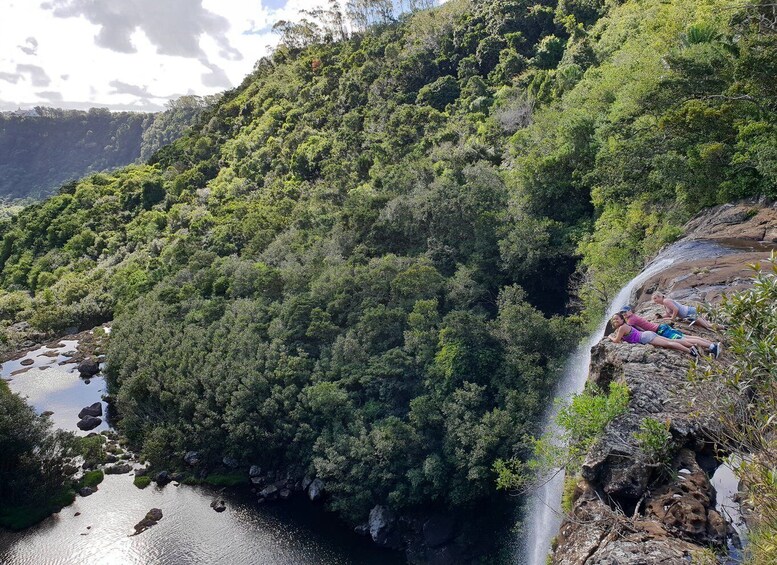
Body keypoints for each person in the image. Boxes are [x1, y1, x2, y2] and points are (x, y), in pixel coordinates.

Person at [620, 306, 722, 358]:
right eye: (622, 313)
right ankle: (712, 345)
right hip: (662, 328)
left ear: (630, 311)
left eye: (625, 312)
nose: (624, 314)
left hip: (661, 331)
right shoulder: (633, 317)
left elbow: (632, 331)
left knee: (683, 340)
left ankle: (712, 347)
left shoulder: (631, 320)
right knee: (686, 337)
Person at [608, 313, 698, 356]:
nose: (615, 321)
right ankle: (692, 346)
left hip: (645, 338)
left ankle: (690, 351)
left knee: (669, 344)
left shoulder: (622, 328)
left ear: (622, 319)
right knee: (671, 341)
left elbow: (616, 340)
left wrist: (610, 337)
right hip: (647, 334)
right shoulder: (625, 325)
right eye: (613, 320)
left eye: (617, 319)